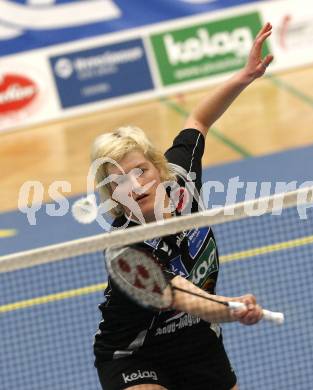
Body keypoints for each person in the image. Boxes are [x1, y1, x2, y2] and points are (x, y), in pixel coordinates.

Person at [92, 23, 274, 390]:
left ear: (158, 169)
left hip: (197, 345)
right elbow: (177, 294)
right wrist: (232, 309)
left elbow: (198, 121)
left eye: (140, 171)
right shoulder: (124, 249)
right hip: (133, 353)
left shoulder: (183, 182)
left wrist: (246, 75)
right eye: (118, 182)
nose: (134, 186)